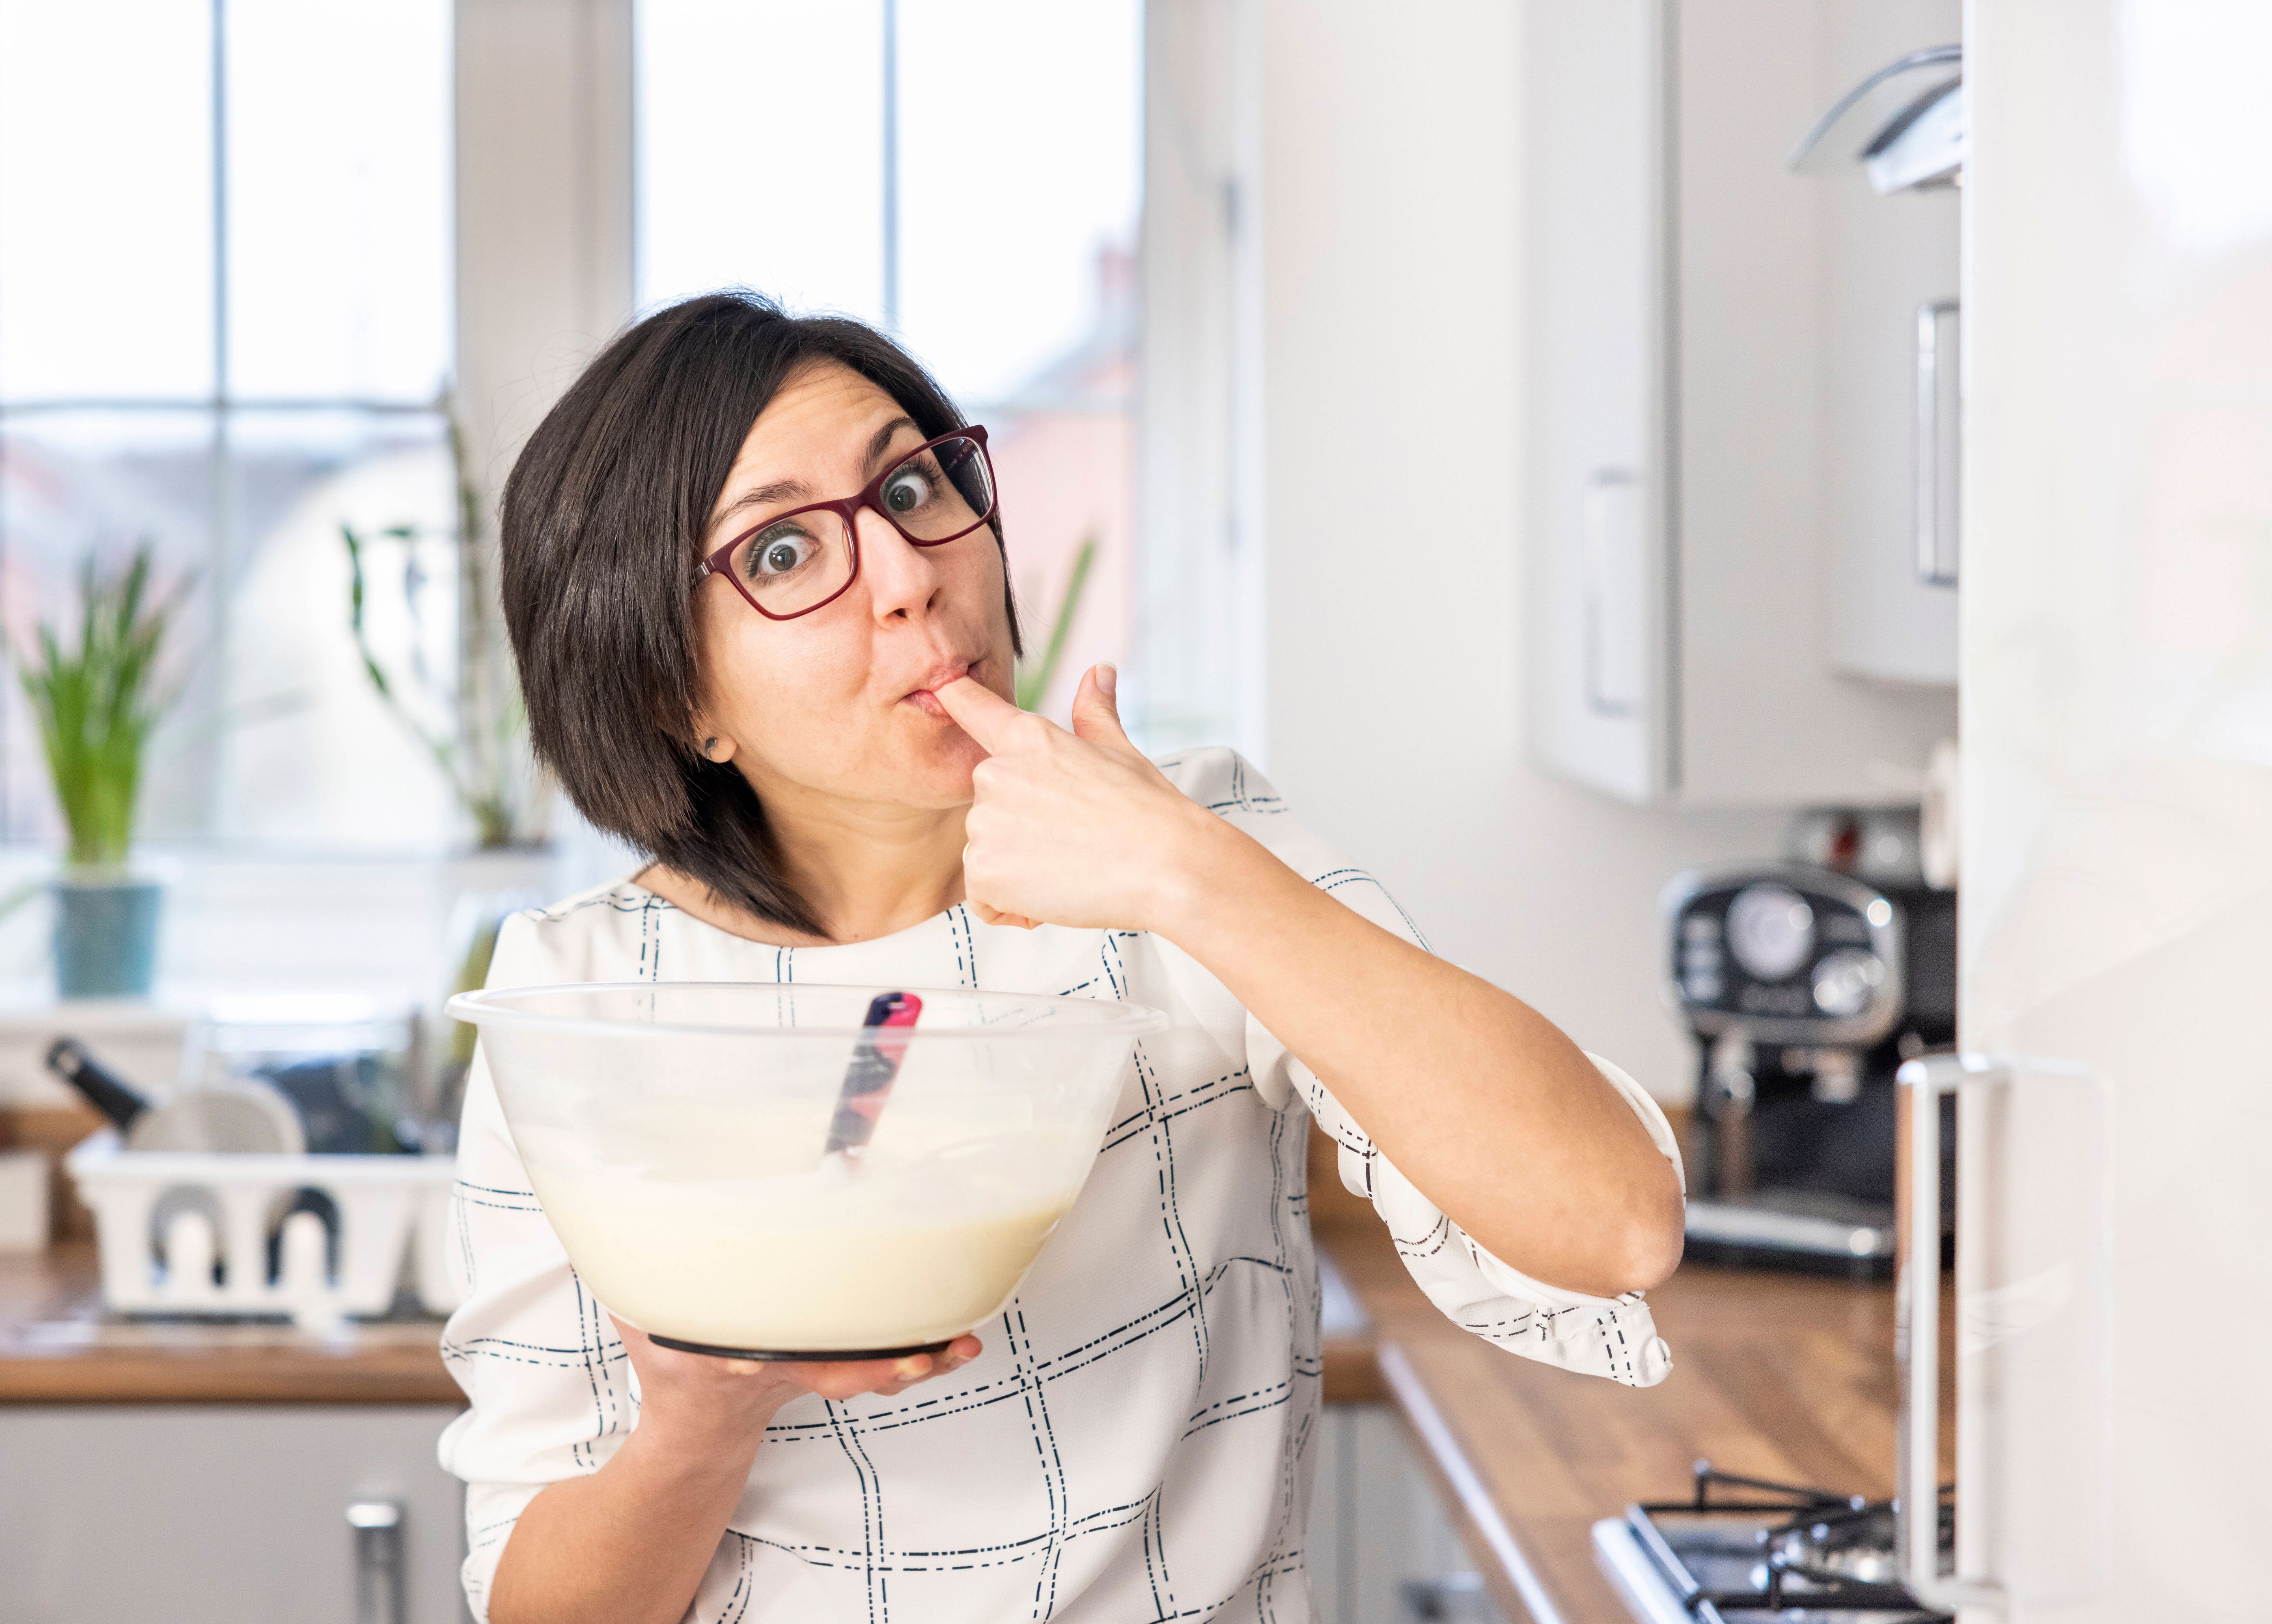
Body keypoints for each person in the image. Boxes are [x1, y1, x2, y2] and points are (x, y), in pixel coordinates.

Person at [438, 291, 1685, 1624]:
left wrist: (1185, 874)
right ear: (677, 695)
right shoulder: (583, 1009)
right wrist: (698, 1419)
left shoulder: (1182, 844)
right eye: (787, 551)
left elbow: (1613, 1225)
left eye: (911, 484)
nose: (913, 572)